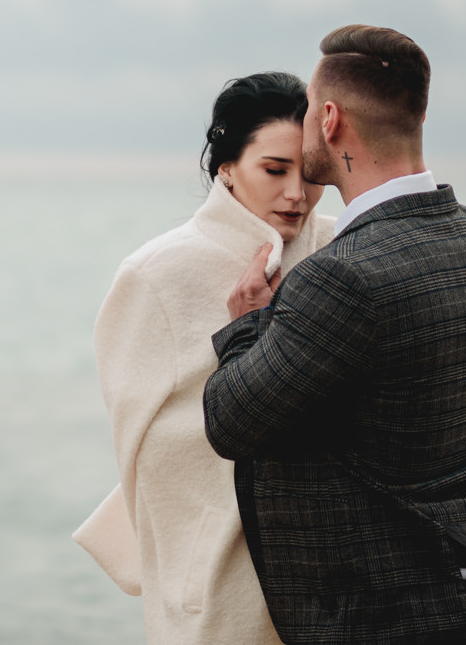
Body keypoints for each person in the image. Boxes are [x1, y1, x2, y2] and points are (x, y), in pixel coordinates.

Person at [203, 25, 466, 645]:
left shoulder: (340, 276)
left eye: (308, 111)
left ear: (330, 119)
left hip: (377, 620)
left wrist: (246, 324)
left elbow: (232, 421)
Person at [76, 72, 337, 644]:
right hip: (220, 570)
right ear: (226, 166)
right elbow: (140, 450)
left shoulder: (343, 251)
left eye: (310, 173)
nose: (296, 192)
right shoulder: (157, 273)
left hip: (343, 570)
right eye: (274, 170)